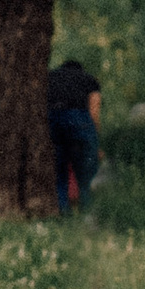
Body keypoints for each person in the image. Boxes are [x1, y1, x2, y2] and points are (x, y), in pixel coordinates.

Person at [46, 58, 102, 214]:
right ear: (80, 70)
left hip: (54, 119)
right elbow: (94, 108)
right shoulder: (88, 79)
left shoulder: (50, 77)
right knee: (86, 173)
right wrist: (96, 139)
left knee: (59, 171)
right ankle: (87, 213)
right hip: (79, 119)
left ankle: (62, 212)